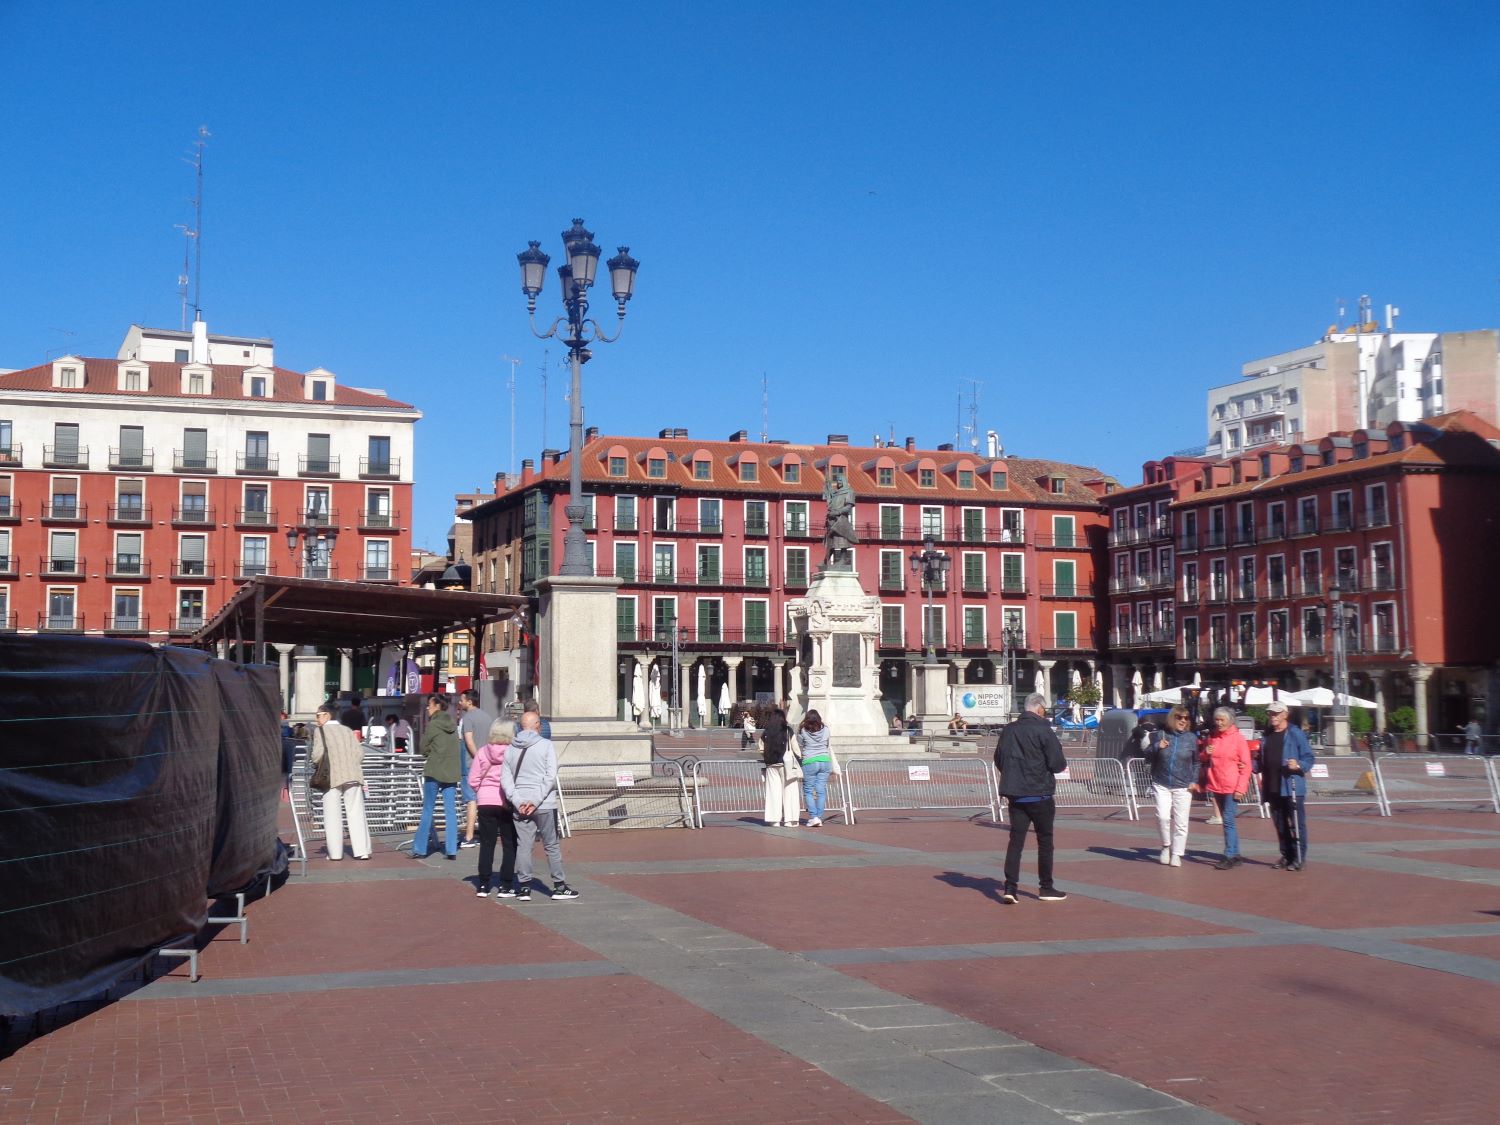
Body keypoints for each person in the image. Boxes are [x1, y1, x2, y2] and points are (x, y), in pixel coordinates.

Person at [993, 693, 1068, 903]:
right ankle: (1046, 887)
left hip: (1016, 794)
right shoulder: (1044, 730)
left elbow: (998, 759)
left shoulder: (1008, 730)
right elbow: (1057, 763)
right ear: (1039, 709)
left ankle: (1010, 887)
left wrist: (1013, 776)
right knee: (1045, 841)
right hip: (1039, 793)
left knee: (1016, 841)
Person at [501, 710, 578, 900]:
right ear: (537, 725)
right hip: (544, 803)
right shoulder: (546, 746)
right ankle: (559, 886)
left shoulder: (510, 748)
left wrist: (518, 801)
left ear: (521, 726)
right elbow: (550, 776)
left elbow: (506, 780)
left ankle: (524, 887)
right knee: (551, 845)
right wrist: (535, 801)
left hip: (520, 804)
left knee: (523, 846)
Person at [310, 701, 371, 861]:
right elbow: (360, 753)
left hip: (332, 777)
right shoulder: (347, 730)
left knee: (332, 815)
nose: (316, 719)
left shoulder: (320, 731)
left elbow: (317, 755)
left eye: (318, 715)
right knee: (356, 812)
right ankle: (362, 851)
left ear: (326, 715)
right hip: (353, 775)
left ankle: (335, 853)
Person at [1261, 701, 1315, 870]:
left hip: (1291, 786)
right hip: (1273, 785)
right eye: (1270, 713)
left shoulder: (1295, 733)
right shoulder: (1267, 735)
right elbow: (1261, 760)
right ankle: (1287, 854)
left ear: (1285, 714)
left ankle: (1299, 857)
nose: (1273, 716)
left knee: (1297, 824)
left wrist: (1298, 765)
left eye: (1276, 713)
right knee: (1280, 823)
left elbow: (1309, 758)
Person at [469, 718, 518, 897]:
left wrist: (481, 791)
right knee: (509, 843)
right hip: (506, 801)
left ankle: (483, 884)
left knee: (487, 843)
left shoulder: (482, 752)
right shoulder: (513, 753)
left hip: (485, 801)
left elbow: (472, 780)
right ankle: (506, 884)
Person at [1199, 706, 1251, 870]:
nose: (1219, 723)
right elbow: (1202, 758)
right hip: (1216, 784)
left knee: (1228, 820)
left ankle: (1228, 855)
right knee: (1228, 822)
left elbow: (1247, 765)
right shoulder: (1213, 737)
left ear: (1230, 721)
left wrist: (1241, 788)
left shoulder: (1238, 739)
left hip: (1232, 785)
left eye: (1222, 720)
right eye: (1217, 720)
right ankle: (1235, 853)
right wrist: (1205, 753)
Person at [1145, 705, 1197, 866]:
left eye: (1186, 718)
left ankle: (1177, 853)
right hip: (1162, 782)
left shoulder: (1191, 738)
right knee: (1163, 817)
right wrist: (1156, 746)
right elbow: (1146, 753)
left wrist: (1194, 780)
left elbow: (1197, 762)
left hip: (1183, 784)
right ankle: (1166, 845)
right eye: (1179, 717)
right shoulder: (1161, 734)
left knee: (1181, 822)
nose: (1183, 721)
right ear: (1172, 718)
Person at [412, 694, 461, 860]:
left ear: (437, 706)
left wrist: (429, 753)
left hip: (434, 771)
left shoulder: (433, 724)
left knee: (427, 810)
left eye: (430, 704)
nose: (427, 707)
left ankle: (420, 849)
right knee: (450, 811)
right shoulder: (453, 725)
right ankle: (451, 849)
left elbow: (423, 747)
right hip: (452, 771)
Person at [457, 690, 494, 849]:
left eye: (462, 700)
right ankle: (487, 833)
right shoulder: (487, 717)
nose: (460, 702)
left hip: (471, 763)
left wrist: (478, 759)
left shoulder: (468, 718)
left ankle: (469, 836)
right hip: (488, 763)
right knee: (485, 799)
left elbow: (469, 741)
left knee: (471, 800)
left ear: (469, 701)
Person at [796, 709, 840, 828]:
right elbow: (827, 743)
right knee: (821, 790)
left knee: (808, 790)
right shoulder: (826, 729)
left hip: (810, 761)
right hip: (825, 761)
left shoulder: (803, 730)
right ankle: (819, 817)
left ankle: (813, 816)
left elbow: (800, 744)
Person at [760, 708, 800, 827]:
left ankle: (774, 820)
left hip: (771, 764)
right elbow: (795, 748)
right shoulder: (788, 731)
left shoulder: (766, 732)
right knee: (790, 791)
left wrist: (766, 755)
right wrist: (799, 760)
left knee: (773, 792)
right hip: (786, 764)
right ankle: (790, 820)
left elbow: (761, 747)